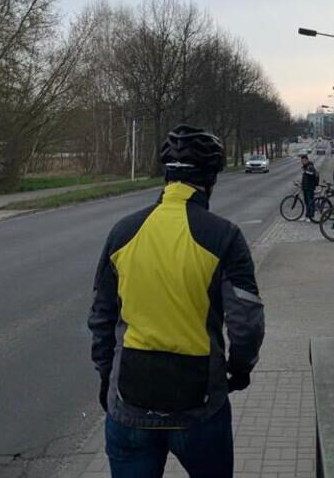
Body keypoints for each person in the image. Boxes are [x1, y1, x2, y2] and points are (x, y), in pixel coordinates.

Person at [88, 124, 265, 477]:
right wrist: (240, 368)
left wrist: (106, 374)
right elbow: (246, 319)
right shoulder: (224, 236)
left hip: (130, 401)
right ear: (211, 178)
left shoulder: (124, 231)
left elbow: (101, 316)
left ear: (166, 176)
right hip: (199, 405)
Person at [300, 154, 318, 222]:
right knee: (307, 202)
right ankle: (307, 215)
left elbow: (312, 174)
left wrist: (305, 171)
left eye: (304, 160)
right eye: (302, 161)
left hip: (310, 187)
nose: (303, 162)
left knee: (310, 202)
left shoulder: (310, 166)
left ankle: (311, 216)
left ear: (307, 160)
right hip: (305, 187)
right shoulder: (305, 167)